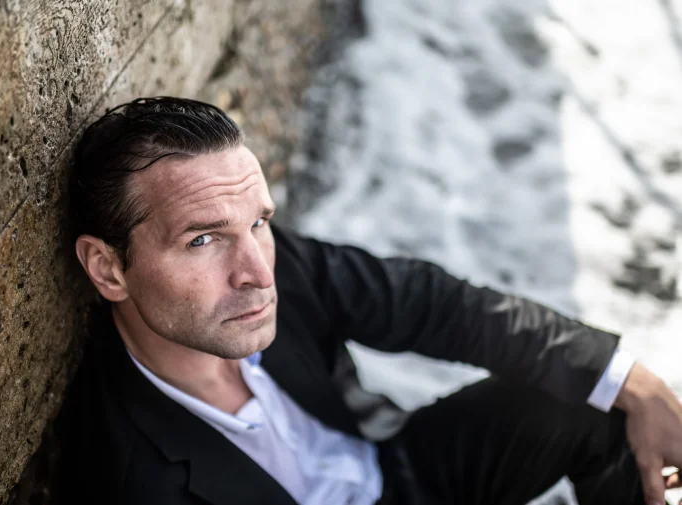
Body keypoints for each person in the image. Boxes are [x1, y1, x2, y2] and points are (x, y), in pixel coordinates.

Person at [54, 96, 682, 505]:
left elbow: (436, 306)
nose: (258, 272)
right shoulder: (126, 478)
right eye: (201, 240)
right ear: (108, 269)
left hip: (398, 468)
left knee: (599, 401)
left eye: (259, 222)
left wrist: (634, 380)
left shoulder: (271, 262)